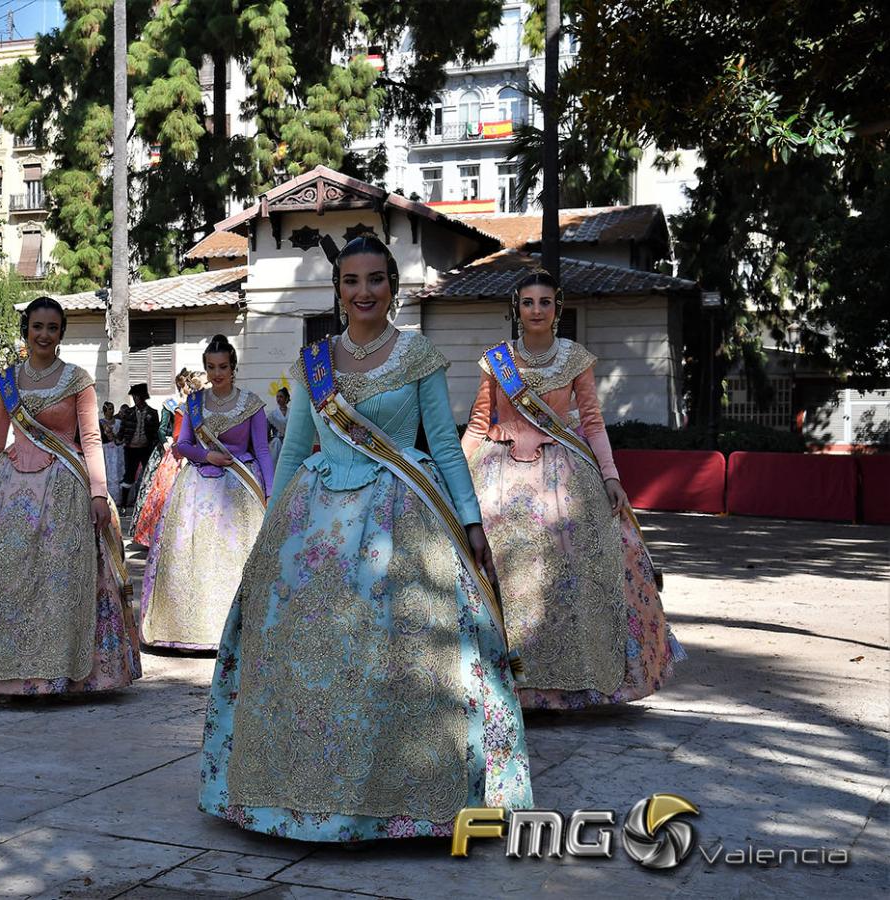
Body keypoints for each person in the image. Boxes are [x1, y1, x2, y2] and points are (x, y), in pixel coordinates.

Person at [198, 236, 531, 841]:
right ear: (338, 290)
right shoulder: (314, 363)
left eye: (376, 279)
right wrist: (271, 537)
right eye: (352, 281)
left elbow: (446, 445)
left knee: (404, 658)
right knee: (317, 656)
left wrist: (472, 520)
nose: (364, 292)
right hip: (316, 523)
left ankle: (403, 799)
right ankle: (299, 794)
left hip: (405, 519)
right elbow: (297, 451)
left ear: (393, 286)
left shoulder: (418, 354)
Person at [461, 269, 685, 710]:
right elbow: (477, 424)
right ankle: (508, 682)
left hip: (566, 472)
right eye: (528, 302)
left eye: (545, 302)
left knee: (584, 562)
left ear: (557, 309)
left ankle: (574, 684)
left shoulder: (576, 359)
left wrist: (611, 476)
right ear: (516, 308)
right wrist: (452, 479)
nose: (537, 310)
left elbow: (594, 424)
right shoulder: (496, 361)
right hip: (499, 469)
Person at [0, 296, 141, 695]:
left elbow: (91, 439)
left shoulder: (78, 379)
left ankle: (56, 672)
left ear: (61, 333)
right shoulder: (7, 381)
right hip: (8, 488)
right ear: (27, 329)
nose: (44, 334)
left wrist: (98, 493)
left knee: (58, 582)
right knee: (5, 577)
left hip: (64, 489)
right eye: (37, 326)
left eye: (52, 328)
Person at [139, 339, 273, 650]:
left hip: (241, 490)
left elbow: (263, 451)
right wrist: (206, 456)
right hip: (197, 487)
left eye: (223, 367)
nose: (217, 373)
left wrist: (270, 494)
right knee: (194, 555)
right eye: (211, 367)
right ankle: (192, 629)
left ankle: (238, 631)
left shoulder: (251, 404)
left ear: (233, 366)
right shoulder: (195, 404)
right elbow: (182, 445)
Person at [131, 372, 192, 547]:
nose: (192, 389)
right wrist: (167, 443)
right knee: (163, 493)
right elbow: (162, 428)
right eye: (189, 385)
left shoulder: (195, 404)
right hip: (173, 450)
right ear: (183, 386)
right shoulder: (170, 404)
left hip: (190, 449)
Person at [116, 383, 159, 511]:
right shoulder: (128, 412)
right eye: (134, 396)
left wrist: (155, 446)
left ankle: (146, 503)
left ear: (142, 397)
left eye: (136, 396)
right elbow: (122, 430)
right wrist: (118, 439)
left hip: (146, 449)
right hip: (131, 449)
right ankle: (123, 505)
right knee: (129, 476)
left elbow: (155, 432)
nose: (134, 398)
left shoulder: (153, 413)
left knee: (148, 475)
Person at [99, 401, 125, 504]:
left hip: (119, 450)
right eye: (109, 409)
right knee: (109, 472)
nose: (112, 411)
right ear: (105, 411)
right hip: (107, 450)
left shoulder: (118, 422)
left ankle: (121, 498)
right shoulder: (100, 423)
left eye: (112, 408)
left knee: (120, 471)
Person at [265, 387, 290, 466]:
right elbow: (267, 431)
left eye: (281, 397)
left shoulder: (292, 413)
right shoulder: (273, 414)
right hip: (277, 443)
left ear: (286, 399)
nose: (278, 399)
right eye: (277, 397)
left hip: (289, 442)